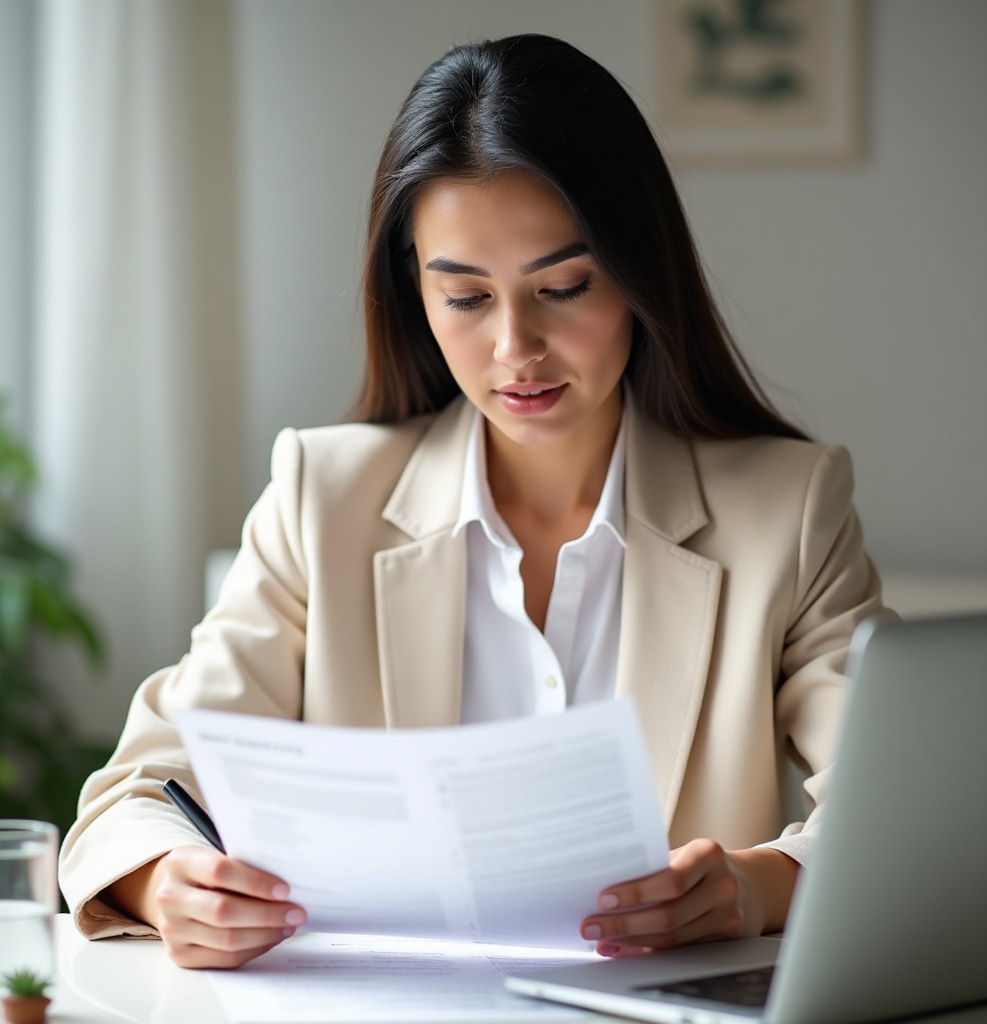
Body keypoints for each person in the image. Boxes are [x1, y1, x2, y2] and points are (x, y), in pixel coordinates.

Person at [59, 33, 883, 969]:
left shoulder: (790, 509)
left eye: (563, 287)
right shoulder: (321, 499)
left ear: (639, 275)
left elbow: (900, 809)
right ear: (414, 293)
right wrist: (169, 885)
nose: (515, 348)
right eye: (465, 298)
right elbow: (132, 794)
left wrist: (757, 885)